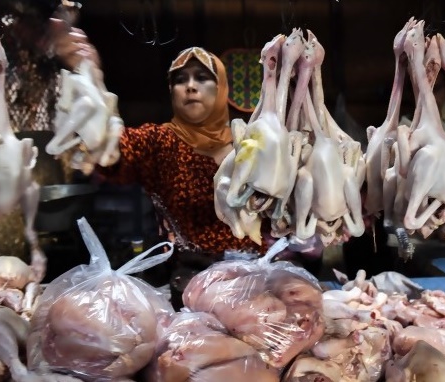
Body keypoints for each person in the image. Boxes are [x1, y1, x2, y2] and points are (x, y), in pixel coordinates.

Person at [50, 20, 285, 289]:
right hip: (186, 283)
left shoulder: (250, 142)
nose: (190, 86)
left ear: (221, 87)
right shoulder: (159, 141)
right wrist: (90, 73)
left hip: (253, 281)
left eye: (202, 77)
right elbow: (109, 149)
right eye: (180, 79)